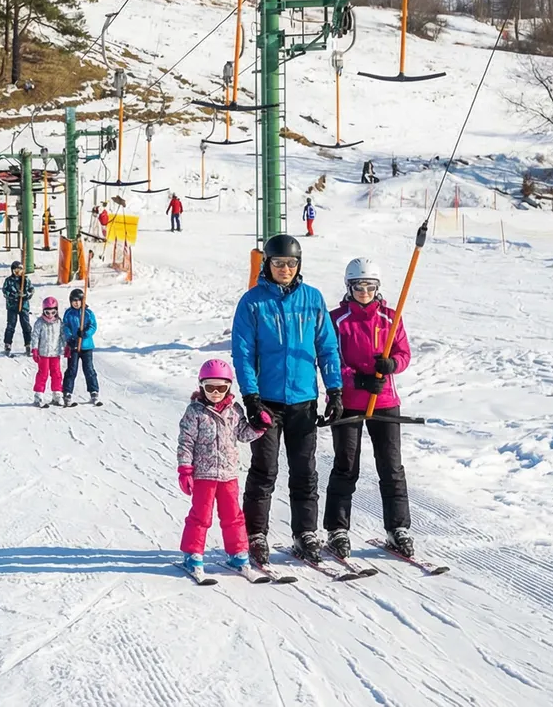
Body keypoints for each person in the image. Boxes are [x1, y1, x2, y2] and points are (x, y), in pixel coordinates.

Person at [232, 234, 343, 566]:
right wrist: (250, 397)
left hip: (303, 400)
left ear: (299, 265)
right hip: (266, 401)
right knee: (265, 470)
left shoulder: (312, 299)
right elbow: (243, 353)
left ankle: (304, 532)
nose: (285, 269)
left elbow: (327, 348)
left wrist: (334, 390)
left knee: (305, 472)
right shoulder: (252, 302)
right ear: (267, 264)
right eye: (278, 263)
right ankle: (256, 534)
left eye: (291, 264)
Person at [325, 258, 417, 560]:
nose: (364, 291)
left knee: (391, 468)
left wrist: (392, 365)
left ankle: (398, 528)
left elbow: (403, 353)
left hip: (385, 402)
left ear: (377, 288)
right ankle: (337, 529)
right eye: (358, 286)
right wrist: (359, 378)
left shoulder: (391, 318)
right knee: (346, 466)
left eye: (370, 286)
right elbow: (329, 360)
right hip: (349, 402)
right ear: (348, 287)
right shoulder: (336, 319)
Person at [177, 358, 265, 577]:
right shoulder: (194, 412)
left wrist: (260, 426)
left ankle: (238, 553)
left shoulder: (235, 411)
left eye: (221, 388)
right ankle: (192, 553)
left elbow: (243, 434)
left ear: (229, 387)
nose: (215, 392)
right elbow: (186, 442)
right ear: (201, 386)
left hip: (228, 474)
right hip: (203, 475)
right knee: (201, 516)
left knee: (233, 515)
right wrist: (185, 469)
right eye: (210, 388)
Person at [60, 287, 100, 406]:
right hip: (73, 347)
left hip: (86, 346)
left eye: (78, 300)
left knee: (89, 369)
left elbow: (93, 326)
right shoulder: (68, 313)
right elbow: (65, 326)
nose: (76, 303)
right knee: (72, 369)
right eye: (74, 300)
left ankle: (94, 391)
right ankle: (67, 392)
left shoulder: (88, 313)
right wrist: (70, 337)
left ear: (83, 301)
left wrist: (85, 333)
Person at [31, 297, 64, 407]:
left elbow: (63, 335)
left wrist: (67, 346)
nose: (50, 315)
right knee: (43, 374)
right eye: (47, 312)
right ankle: (38, 395)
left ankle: (57, 394)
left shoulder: (59, 322)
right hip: (43, 353)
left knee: (57, 373)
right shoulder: (40, 322)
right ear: (43, 311)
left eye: (53, 312)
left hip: (55, 353)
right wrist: (35, 349)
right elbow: (35, 336)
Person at [2, 260, 33, 355]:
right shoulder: (8, 280)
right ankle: (8, 344)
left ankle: (28, 343)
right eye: (16, 270)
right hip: (12, 306)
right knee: (11, 325)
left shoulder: (25, 280)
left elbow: (31, 290)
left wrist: (25, 295)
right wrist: (15, 295)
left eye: (20, 270)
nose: (18, 272)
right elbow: (5, 291)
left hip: (23, 306)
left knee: (26, 325)